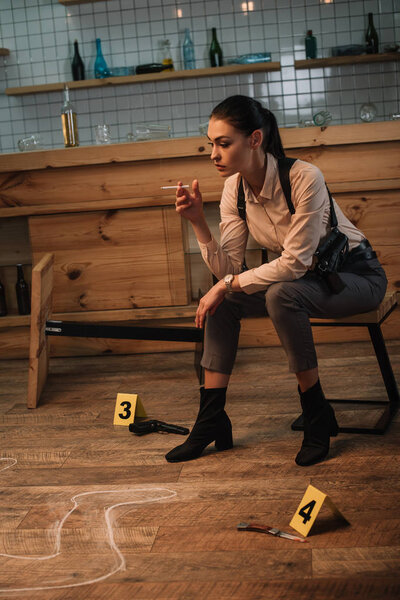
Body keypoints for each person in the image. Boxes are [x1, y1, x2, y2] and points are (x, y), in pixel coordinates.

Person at [165, 95, 387, 467]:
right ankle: (211, 418)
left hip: (354, 276)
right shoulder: (234, 190)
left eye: (223, 144)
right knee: (223, 299)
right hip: (306, 282)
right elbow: (229, 269)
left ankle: (317, 414)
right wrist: (197, 223)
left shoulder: (304, 177)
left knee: (281, 294)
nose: (214, 154)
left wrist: (227, 283)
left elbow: (295, 263)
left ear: (254, 139)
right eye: (211, 144)